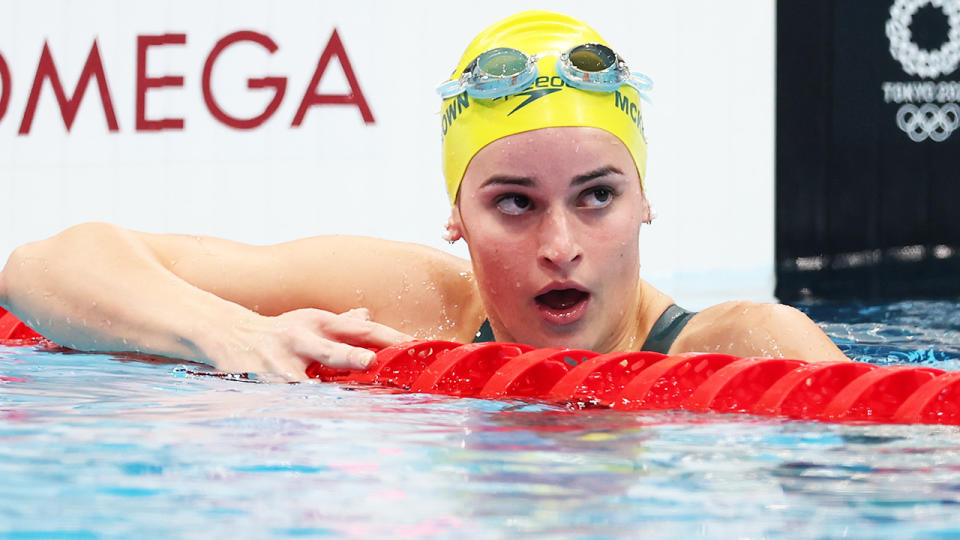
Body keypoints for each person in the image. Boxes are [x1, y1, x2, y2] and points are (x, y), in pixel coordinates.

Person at [0, 11, 849, 381]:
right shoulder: (410, 304)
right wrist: (231, 332)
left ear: (646, 200)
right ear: (455, 217)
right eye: (514, 204)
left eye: (596, 197)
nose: (561, 243)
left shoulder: (748, 342)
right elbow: (46, 266)